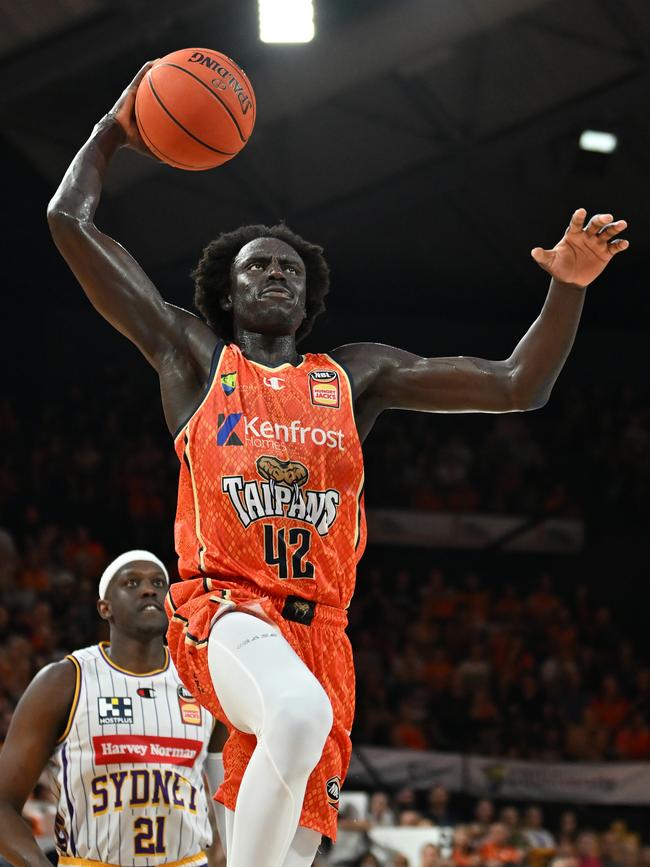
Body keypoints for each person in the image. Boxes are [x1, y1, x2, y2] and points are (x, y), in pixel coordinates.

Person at [46, 59, 629, 867]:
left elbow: (517, 386)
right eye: (258, 265)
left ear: (308, 292)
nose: (275, 272)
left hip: (324, 637)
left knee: (298, 845)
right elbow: (69, 223)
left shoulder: (356, 375)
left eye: (288, 265)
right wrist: (115, 126)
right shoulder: (193, 358)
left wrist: (567, 288)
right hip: (224, 612)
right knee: (293, 714)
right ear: (229, 292)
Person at [0, 551, 224, 867]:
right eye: (132, 582)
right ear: (105, 608)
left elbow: (230, 795)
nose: (149, 590)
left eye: (159, 583)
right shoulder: (64, 680)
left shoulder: (202, 678)